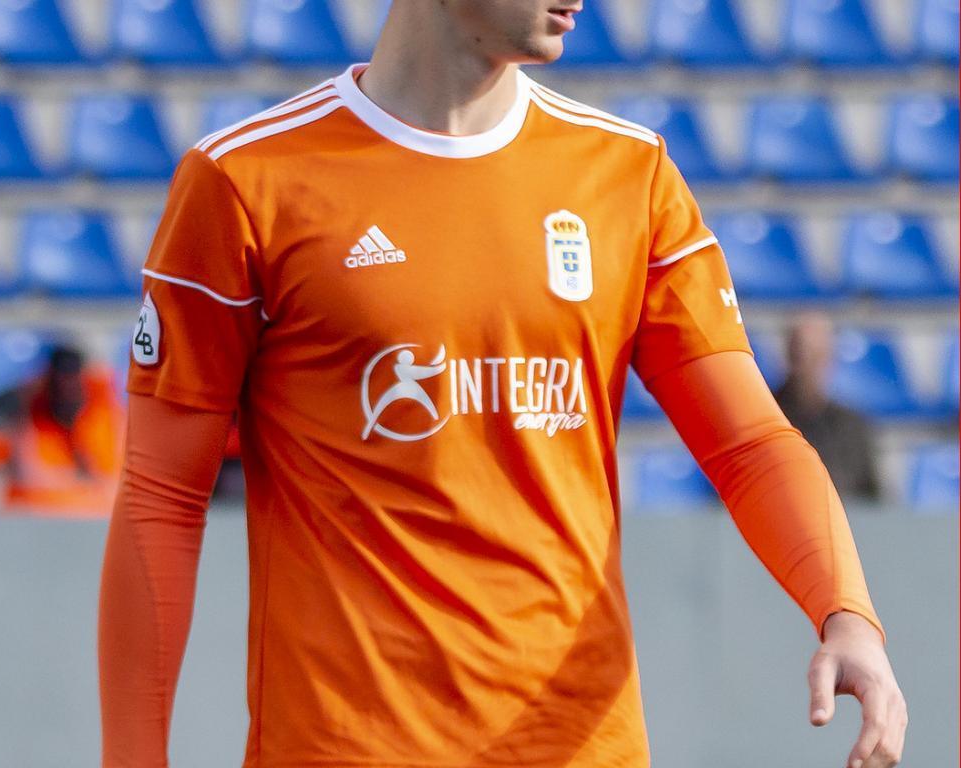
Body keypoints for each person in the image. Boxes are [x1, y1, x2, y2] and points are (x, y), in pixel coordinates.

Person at [98, 3, 908, 767]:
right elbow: (161, 496)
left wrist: (847, 614)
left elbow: (751, 444)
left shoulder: (631, 175)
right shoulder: (244, 179)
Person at [0, 332, 123, 516]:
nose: (65, 384)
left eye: (68, 370)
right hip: (37, 524)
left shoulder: (102, 401)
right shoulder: (22, 420)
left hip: (91, 520)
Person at [776, 312, 882, 501]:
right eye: (800, 355)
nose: (807, 367)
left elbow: (873, 498)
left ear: (830, 359)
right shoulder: (767, 417)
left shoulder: (851, 426)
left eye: (816, 356)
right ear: (789, 357)